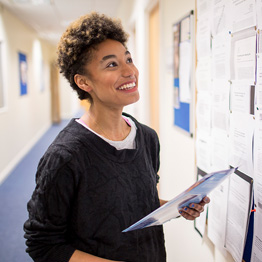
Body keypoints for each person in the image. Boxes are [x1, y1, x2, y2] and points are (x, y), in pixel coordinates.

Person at [23, 12, 210, 262]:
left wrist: (176, 207)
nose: (130, 71)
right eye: (112, 64)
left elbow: (139, 204)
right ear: (84, 82)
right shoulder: (65, 156)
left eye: (128, 59)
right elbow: (43, 245)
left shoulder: (147, 137)